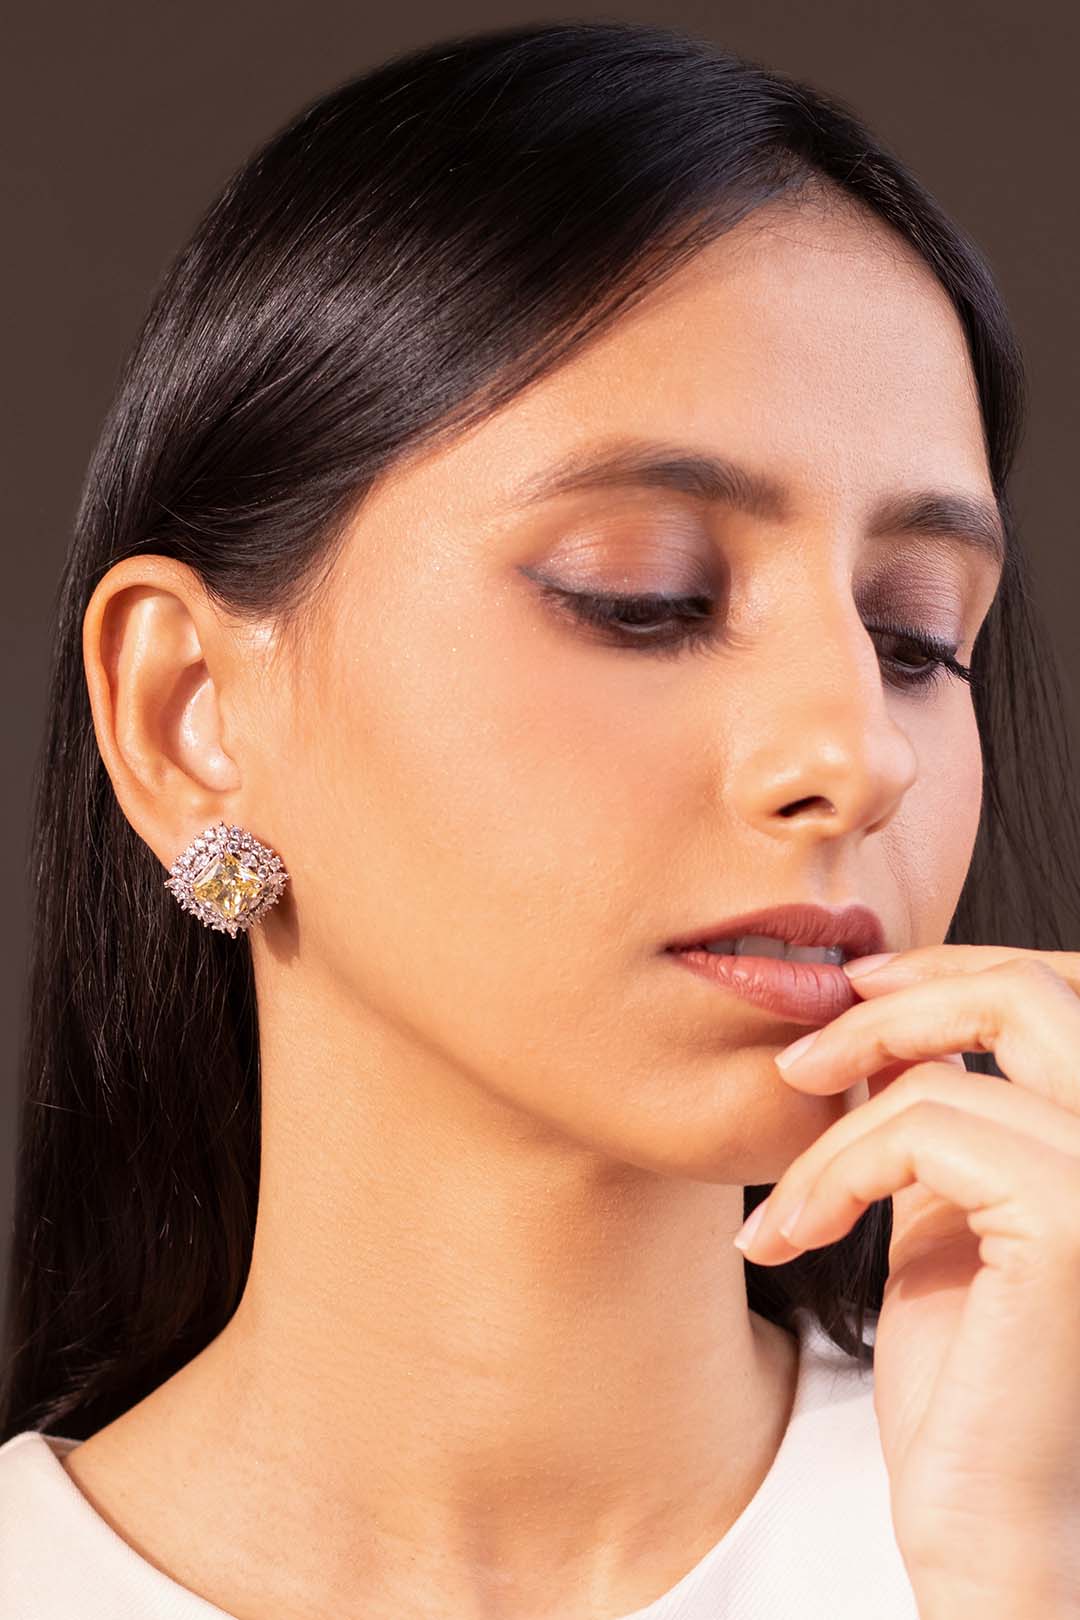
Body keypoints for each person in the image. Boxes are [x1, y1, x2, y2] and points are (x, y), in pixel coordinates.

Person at [3, 20, 1079, 1620]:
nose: (860, 754)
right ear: (191, 717)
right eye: (644, 598)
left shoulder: (1033, 1539)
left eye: (916, 636)